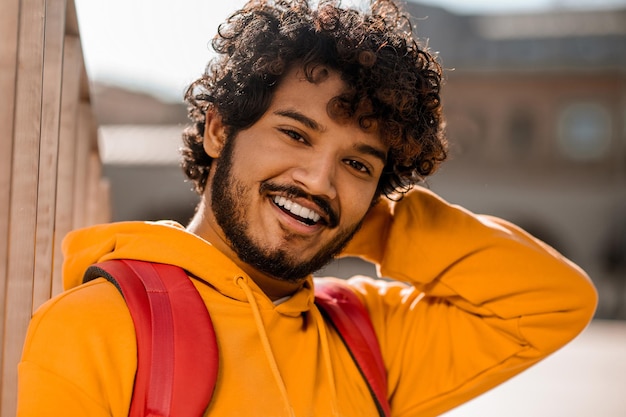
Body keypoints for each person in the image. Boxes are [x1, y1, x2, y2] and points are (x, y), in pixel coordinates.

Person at [18, 0, 597, 416]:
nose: (320, 179)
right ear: (219, 129)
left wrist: (373, 226)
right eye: (296, 134)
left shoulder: (367, 338)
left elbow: (555, 301)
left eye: (358, 165)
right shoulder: (97, 327)